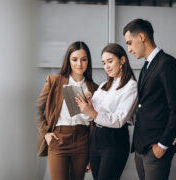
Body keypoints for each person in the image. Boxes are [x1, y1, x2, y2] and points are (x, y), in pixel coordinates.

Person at [123, 18, 176, 180]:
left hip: (157, 149)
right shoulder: (146, 66)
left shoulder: (167, 64)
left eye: (130, 43)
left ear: (142, 37)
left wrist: (163, 144)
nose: (129, 49)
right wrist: (137, 149)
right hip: (142, 149)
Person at [36, 41, 98, 180]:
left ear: (88, 61)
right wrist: (46, 133)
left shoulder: (94, 88)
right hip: (59, 139)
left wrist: (91, 151)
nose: (79, 64)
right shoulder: (55, 81)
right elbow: (37, 109)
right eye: (74, 59)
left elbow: (95, 120)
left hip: (82, 141)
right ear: (68, 60)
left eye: (83, 59)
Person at [76, 43, 138, 180]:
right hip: (96, 138)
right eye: (104, 63)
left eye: (110, 61)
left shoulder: (131, 86)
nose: (106, 67)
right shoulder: (104, 85)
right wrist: (88, 102)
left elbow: (118, 120)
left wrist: (92, 112)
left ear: (122, 60)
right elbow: (91, 114)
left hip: (114, 140)